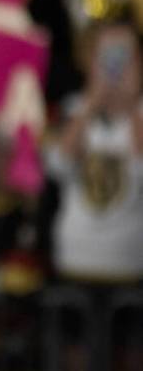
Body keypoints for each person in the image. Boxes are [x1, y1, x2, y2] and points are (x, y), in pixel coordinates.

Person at [46, 20, 143, 282]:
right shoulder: (74, 109)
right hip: (75, 258)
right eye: (108, 58)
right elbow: (59, 164)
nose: (116, 69)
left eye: (125, 58)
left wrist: (132, 103)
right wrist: (92, 101)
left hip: (130, 262)